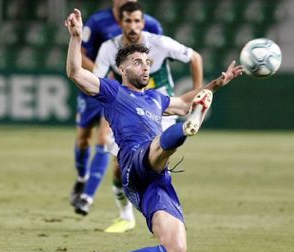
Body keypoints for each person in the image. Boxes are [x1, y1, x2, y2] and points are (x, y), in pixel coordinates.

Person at [66, 8, 243, 252]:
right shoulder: (112, 91)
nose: (145, 67)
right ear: (122, 68)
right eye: (138, 62)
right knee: (161, 145)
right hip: (134, 162)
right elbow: (75, 73)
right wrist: (76, 37)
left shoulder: (155, 98)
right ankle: (186, 130)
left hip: (158, 179)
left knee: (176, 250)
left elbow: (184, 103)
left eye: (147, 63)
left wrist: (217, 83)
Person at [75, 1, 203, 233]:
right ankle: (126, 216)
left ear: (143, 23)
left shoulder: (158, 43)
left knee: (157, 154)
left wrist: (199, 89)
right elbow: (98, 84)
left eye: (137, 21)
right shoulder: (109, 48)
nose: (133, 26)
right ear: (120, 23)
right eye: (128, 21)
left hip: (161, 108)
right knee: (118, 167)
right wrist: (107, 121)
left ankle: (160, 205)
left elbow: (195, 57)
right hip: (129, 110)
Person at [70, 0, 163, 234]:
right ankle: (82, 177)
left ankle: (87, 197)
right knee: (82, 138)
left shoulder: (151, 24)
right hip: (100, 82)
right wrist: (106, 73)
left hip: (122, 92)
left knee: (103, 140)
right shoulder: (98, 21)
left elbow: (155, 54)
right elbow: (81, 55)